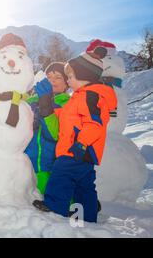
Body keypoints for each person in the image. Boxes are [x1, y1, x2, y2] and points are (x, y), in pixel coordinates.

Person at [33, 47, 117, 222]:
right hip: (83, 151)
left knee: (60, 175)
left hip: (76, 149)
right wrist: (46, 108)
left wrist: (81, 143)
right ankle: (88, 214)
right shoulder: (80, 97)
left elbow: (95, 124)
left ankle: (55, 206)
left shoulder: (89, 96)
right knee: (84, 185)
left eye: (69, 77)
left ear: (84, 76)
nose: (68, 81)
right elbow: (65, 118)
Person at [25, 62, 70, 195]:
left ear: (67, 83)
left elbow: (55, 134)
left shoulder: (66, 104)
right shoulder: (32, 101)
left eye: (58, 77)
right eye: (49, 77)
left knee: (50, 205)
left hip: (47, 166)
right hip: (25, 163)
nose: (52, 81)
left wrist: (45, 104)